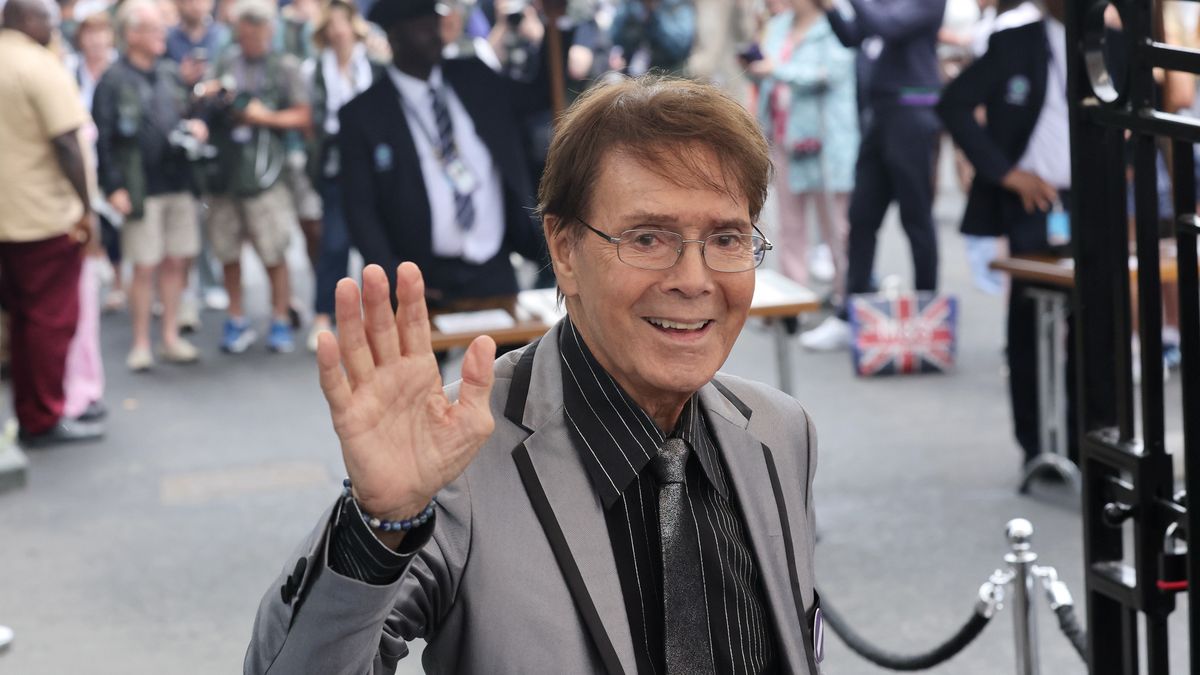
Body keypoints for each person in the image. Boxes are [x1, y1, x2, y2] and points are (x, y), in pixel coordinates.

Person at [245, 71, 821, 674]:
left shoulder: (780, 434)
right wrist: (376, 526)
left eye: (726, 238)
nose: (694, 278)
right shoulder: (453, 456)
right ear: (564, 249)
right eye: (649, 238)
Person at [335, 0, 548, 306]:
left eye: (435, 23)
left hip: (494, 265)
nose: (435, 35)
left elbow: (540, 95)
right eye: (422, 27)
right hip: (421, 275)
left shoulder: (474, 77)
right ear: (395, 37)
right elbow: (359, 210)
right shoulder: (363, 115)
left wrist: (556, 26)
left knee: (507, 353)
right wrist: (394, 276)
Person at [937, 0, 1070, 467]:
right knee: (1031, 319)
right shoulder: (1016, 40)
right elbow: (953, 103)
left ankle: (1090, 441)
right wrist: (1006, 173)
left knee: (1098, 322)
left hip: (1091, 205)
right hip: (1031, 200)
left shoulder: (1111, 43)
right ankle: (1036, 446)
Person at [799, 0, 947, 350]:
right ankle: (849, 313)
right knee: (861, 217)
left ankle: (927, 317)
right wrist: (829, 9)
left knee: (916, 218)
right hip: (879, 114)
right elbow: (853, 36)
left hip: (912, 108)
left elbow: (888, 26)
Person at [0, 0, 104, 445]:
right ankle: (42, 415)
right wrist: (86, 207)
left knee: (22, 321)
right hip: (41, 219)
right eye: (48, 17)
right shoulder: (37, 65)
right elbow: (67, 141)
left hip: (10, 218)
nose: (55, 25)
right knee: (48, 322)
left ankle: (31, 411)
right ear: (27, 19)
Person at [94, 0, 206, 371]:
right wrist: (114, 187)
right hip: (140, 189)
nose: (162, 34)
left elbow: (186, 114)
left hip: (178, 183)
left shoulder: (170, 73)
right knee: (143, 265)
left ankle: (170, 336)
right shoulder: (112, 80)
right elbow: (104, 140)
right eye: (154, 28)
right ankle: (141, 342)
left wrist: (196, 126)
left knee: (175, 261)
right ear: (132, 35)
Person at [201, 0, 312, 353]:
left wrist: (262, 117)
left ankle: (280, 317)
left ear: (268, 32)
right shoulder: (226, 60)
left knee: (272, 249)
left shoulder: (285, 67)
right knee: (227, 247)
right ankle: (236, 319)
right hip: (227, 172)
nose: (247, 41)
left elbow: (304, 117)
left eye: (254, 34)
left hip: (267, 174)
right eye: (242, 34)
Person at [748, 0, 857, 301]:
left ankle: (844, 298)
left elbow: (829, 74)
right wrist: (754, 68)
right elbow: (766, 75)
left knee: (838, 228)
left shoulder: (836, 25)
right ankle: (793, 300)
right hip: (785, 137)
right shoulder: (779, 25)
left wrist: (777, 70)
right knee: (790, 225)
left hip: (826, 140)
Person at [302, 0, 381, 352]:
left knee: (374, 243)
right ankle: (322, 315)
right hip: (336, 160)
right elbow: (312, 121)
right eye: (330, 25)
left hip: (374, 159)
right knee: (334, 242)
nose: (337, 31)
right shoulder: (315, 69)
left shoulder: (374, 64)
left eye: (342, 23)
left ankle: (374, 319)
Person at [609, 0, 695, 76]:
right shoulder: (631, 5)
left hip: (668, 76)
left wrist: (653, 13)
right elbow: (615, 37)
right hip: (633, 78)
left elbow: (678, 47)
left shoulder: (677, 5)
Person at [165, 0, 230, 85]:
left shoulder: (221, 35)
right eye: (190, 1)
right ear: (179, 3)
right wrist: (178, 73)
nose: (196, 5)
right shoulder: (168, 37)